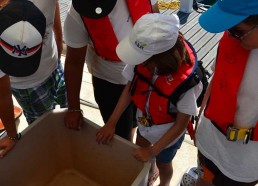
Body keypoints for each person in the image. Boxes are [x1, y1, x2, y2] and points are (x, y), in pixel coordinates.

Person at [96, 13, 203, 186]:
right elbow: (129, 90)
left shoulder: (187, 86)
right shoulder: (142, 59)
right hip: (144, 124)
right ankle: (150, 172)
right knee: (140, 151)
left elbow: (180, 125)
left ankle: (164, 182)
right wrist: (112, 122)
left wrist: (153, 150)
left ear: (160, 58)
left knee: (163, 162)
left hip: (167, 135)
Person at [63, 0, 159, 141]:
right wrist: (74, 108)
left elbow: (154, 12)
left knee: (138, 121)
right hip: (110, 83)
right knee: (120, 134)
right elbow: (74, 63)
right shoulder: (78, 13)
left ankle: (131, 137)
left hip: (145, 73)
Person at [195, 0, 258, 185]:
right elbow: (218, 77)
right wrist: (201, 114)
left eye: (237, 30)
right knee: (203, 180)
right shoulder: (233, 37)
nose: (230, 34)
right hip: (210, 141)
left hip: (244, 162)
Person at [0, 0, 67, 157]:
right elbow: (2, 95)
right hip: (26, 87)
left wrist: (58, 42)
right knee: (43, 132)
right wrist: (11, 135)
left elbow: (53, 7)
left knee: (68, 113)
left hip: (54, 64)